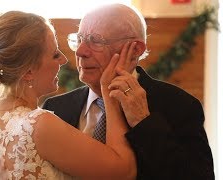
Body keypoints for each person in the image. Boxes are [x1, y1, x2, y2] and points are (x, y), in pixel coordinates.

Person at [0, 10, 138, 180]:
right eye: (55, 54)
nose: (65, 60)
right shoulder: (38, 125)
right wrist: (110, 95)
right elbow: (123, 171)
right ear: (29, 71)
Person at [42, 3, 215, 180]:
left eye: (95, 40)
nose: (80, 51)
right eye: (79, 39)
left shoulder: (180, 105)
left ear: (135, 50)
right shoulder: (55, 108)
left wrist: (143, 122)